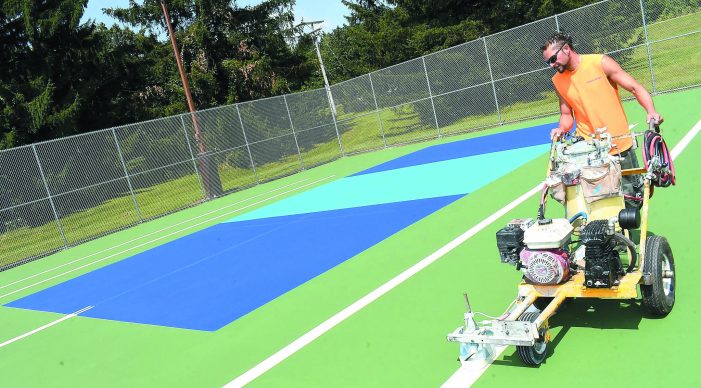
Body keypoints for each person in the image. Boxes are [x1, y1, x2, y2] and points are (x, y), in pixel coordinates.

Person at [541, 32, 663, 207]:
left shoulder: (600, 63)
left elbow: (635, 88)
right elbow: (567, 114)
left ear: (566, 49)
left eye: (553, 59)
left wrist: (651, 111)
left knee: (633, 199)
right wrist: (562, 129)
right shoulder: (558, 80)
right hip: (589, 150)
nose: (552, 65)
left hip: (618, 144)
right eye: (548, 62)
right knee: (597, 201)